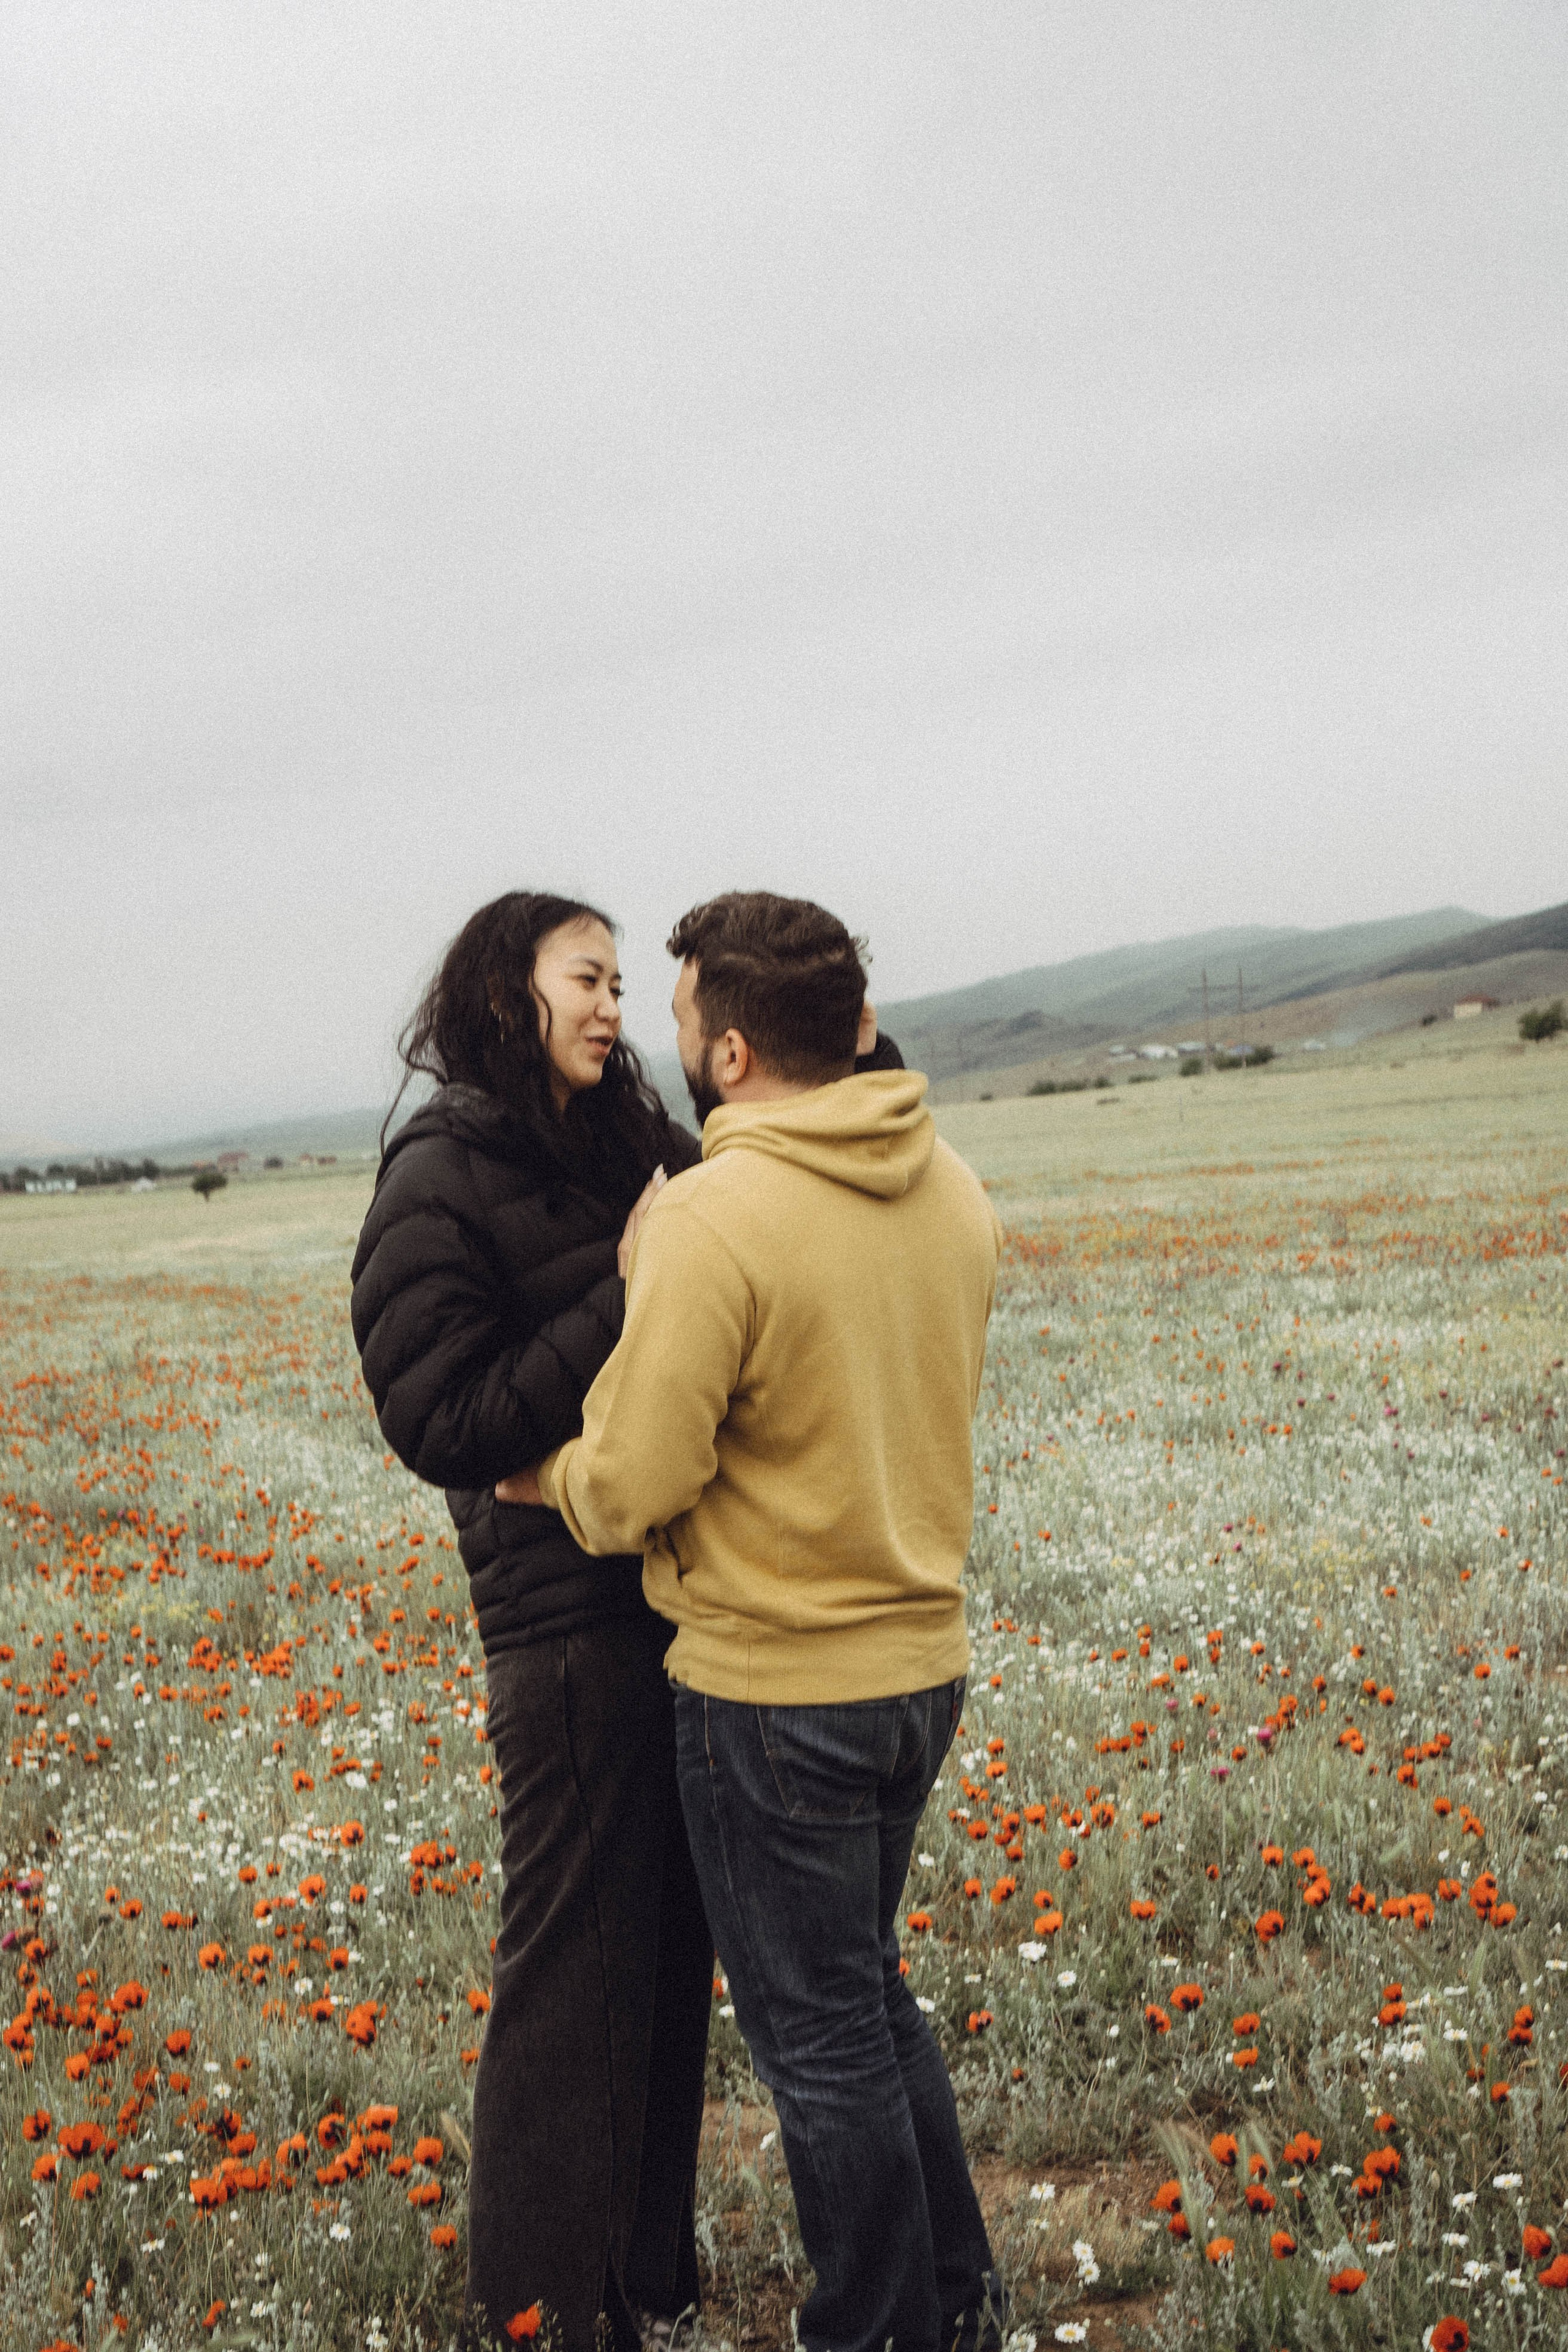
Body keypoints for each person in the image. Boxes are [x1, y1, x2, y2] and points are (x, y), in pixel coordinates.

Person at [499, 891, 1006, 2352]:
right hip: (919, 1668)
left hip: (774, 1691)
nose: (652, 1039)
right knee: (868, 2000)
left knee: (819, 2041)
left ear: (727, 1054)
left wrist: (543, 1478)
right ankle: (952, 2303)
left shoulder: (714, 1215)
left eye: (671, 1018)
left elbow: (638, 1478)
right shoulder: (950, 1186)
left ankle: (878, 2329)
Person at [349, 892, 714, 2352]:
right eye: (588, 979)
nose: (614, 1008)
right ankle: (542, 2315)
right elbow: (442, 1417)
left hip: (677, 1599)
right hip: (560, 1624)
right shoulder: (437, 1173)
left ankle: (643, 2283)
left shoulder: (625, 1140)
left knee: (668, 1952)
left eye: (622, 984)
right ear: (509, 990)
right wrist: (624, 1294)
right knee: (572, 1972)